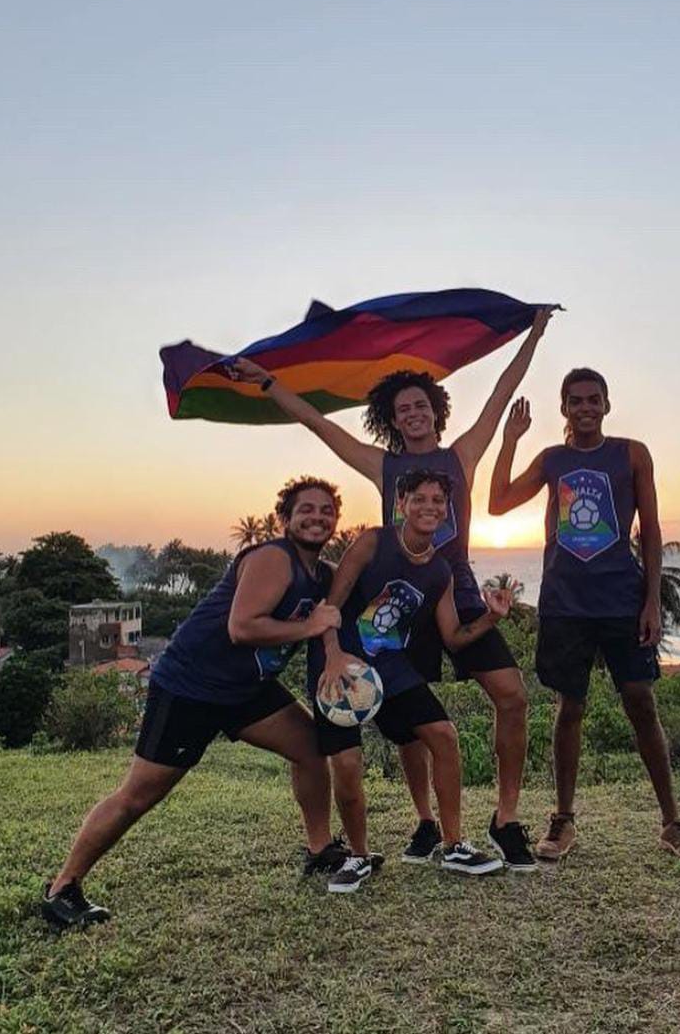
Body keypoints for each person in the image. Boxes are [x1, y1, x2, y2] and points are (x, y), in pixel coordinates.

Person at [229, 306, 552, 869]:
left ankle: (505, 819)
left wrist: (535, 332)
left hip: (454, 589)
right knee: (409, 729)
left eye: (421, 405)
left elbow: (501, 394)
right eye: (403, 410)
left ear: (436, 411)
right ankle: (427, 823)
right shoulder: (384, 467)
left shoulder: (460, 455)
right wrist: (269, 383)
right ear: (392, 421)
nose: (413, 414)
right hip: (399, 607)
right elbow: (320, 426)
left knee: (512, 695)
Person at [41, 478, 348, 929]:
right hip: (191, 687)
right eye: (306, 509)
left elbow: (357, 584)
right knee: (139, 795)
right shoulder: (272, 558)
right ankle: (62, 889)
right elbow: (242, 628)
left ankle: (320, 850)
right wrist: (310, 627)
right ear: (284, 518)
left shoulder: (321, 574)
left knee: (310, 746)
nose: (317, 517)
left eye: (327, 511)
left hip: (246, 689)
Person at [488, 370, 680, 863]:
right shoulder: (552, 460)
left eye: (593, 399)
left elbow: (651, 530)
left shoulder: (632, 454)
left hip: (621, 599)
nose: (585, 407)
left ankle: (672, 822)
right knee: (570, 707)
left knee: (641, 702)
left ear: (607, 404)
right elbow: (497, 503)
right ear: (564, 409)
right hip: (565, 601)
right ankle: (563, 819)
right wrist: (510, 440)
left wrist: (651, 601)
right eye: (575, 401)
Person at [313, 469, 509, 894]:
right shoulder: (373, 542)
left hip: (391, 664)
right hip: (338, 660)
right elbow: (331, 606)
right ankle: (359, 856)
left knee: (444, 735)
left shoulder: (440, 572)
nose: (428, 507)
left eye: (437, 500)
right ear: (400, 504)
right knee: (347, 763)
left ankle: (453, 845)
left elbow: (453, 637)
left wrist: (491, 617)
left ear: (447, 510)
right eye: (419, 498)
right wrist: (332, 654)